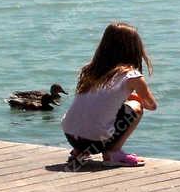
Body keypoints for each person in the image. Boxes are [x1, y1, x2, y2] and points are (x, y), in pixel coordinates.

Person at [62, 22, 157, 168]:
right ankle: (113, 152)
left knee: (92, 109)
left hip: (71, 135)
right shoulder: (132, 76)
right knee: (136, 107)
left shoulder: (90, 70)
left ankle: (79, 152)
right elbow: (151, 105)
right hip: (95, 141)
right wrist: (135, 98)